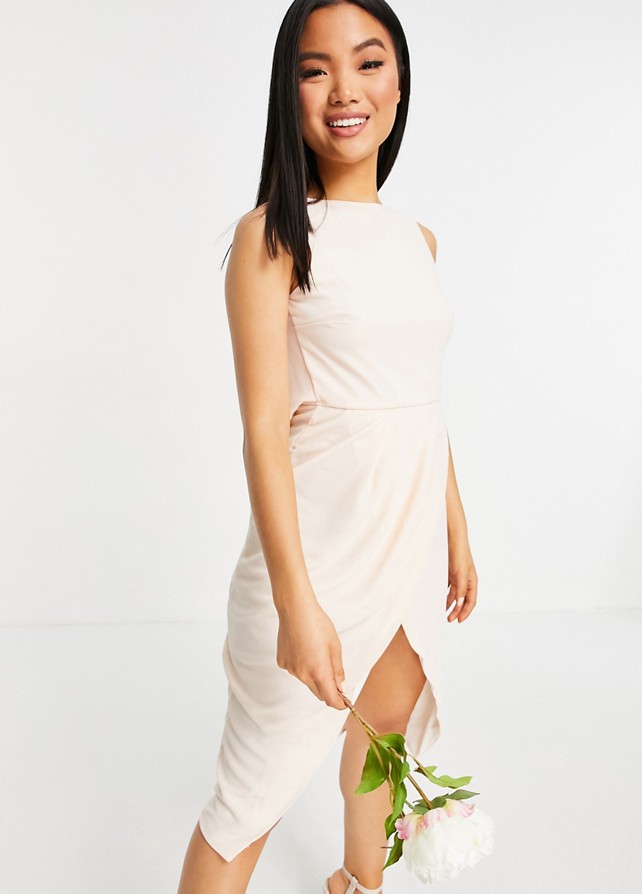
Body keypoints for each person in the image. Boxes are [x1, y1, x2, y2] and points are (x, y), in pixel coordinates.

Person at [176, 1, 478, 892]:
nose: (344, 89)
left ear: (399, 83)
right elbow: (262, 432)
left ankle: (357, 883)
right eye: (315, 70)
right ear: (290, 91)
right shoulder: (272, 237)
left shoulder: (418, 240)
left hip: (406, 550)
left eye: (368, 63)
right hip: (315, 562)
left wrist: (457, 531)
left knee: (385, 737)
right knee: (247, 802)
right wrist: (297, 605)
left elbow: (419, 401)